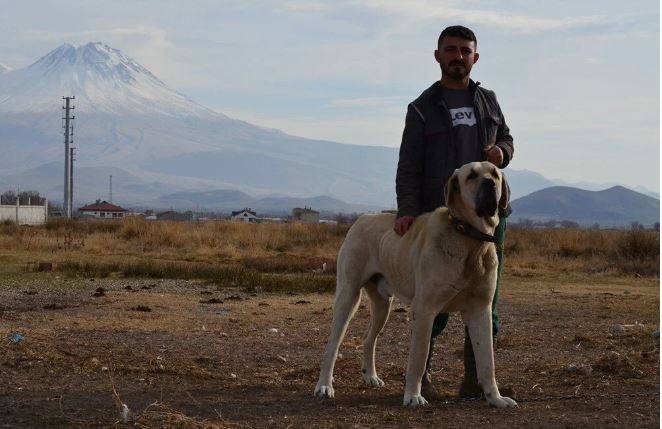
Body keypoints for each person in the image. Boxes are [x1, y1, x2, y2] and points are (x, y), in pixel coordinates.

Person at [393, 25, 514, 399]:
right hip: (441, 220)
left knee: (485, 304)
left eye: (465, 50)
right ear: (438, 56)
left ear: (475, 58)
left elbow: (507, 139)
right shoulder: (422, 108)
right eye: (451, 50)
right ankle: (421, 378)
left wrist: (502, 154)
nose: (458, 56)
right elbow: (409, 163)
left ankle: (477, 383)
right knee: (435, 305)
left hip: (489, 220)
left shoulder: (489, 100)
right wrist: (407, 211)